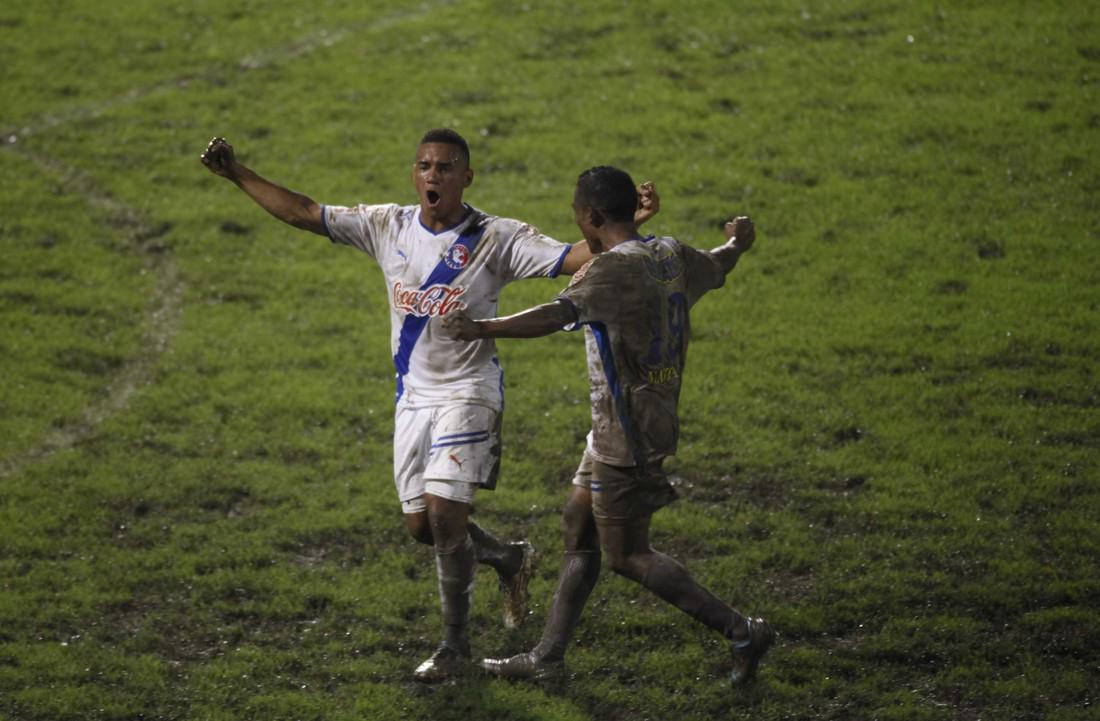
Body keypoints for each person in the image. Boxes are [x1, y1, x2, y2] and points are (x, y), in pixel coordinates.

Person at [199, 131, 659, 682]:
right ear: (413, 173)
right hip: (412, 398)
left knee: (444, 516)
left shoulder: (496, 236)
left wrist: (628, 227)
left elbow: (572, 258)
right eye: (424, 166)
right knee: (422, 527)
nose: (433, 176)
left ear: (467, 176)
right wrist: (237, 173)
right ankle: (506, 557)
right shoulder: (385, 225)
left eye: (446, 167)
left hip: (471, 392)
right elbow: (304, 212)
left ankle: (454, 649)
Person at [441, 165, 774, 686]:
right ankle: (547, 657)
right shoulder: (668, 253)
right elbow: (717, 263)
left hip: (628, 434)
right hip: (624, 423)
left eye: (579, 217)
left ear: (592, 216)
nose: (577, 225)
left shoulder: (608, 272)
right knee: (578, 522)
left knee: (628, 554)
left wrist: (480, 327)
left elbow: (555, 314)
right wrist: (738, 242)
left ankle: (741, 630)